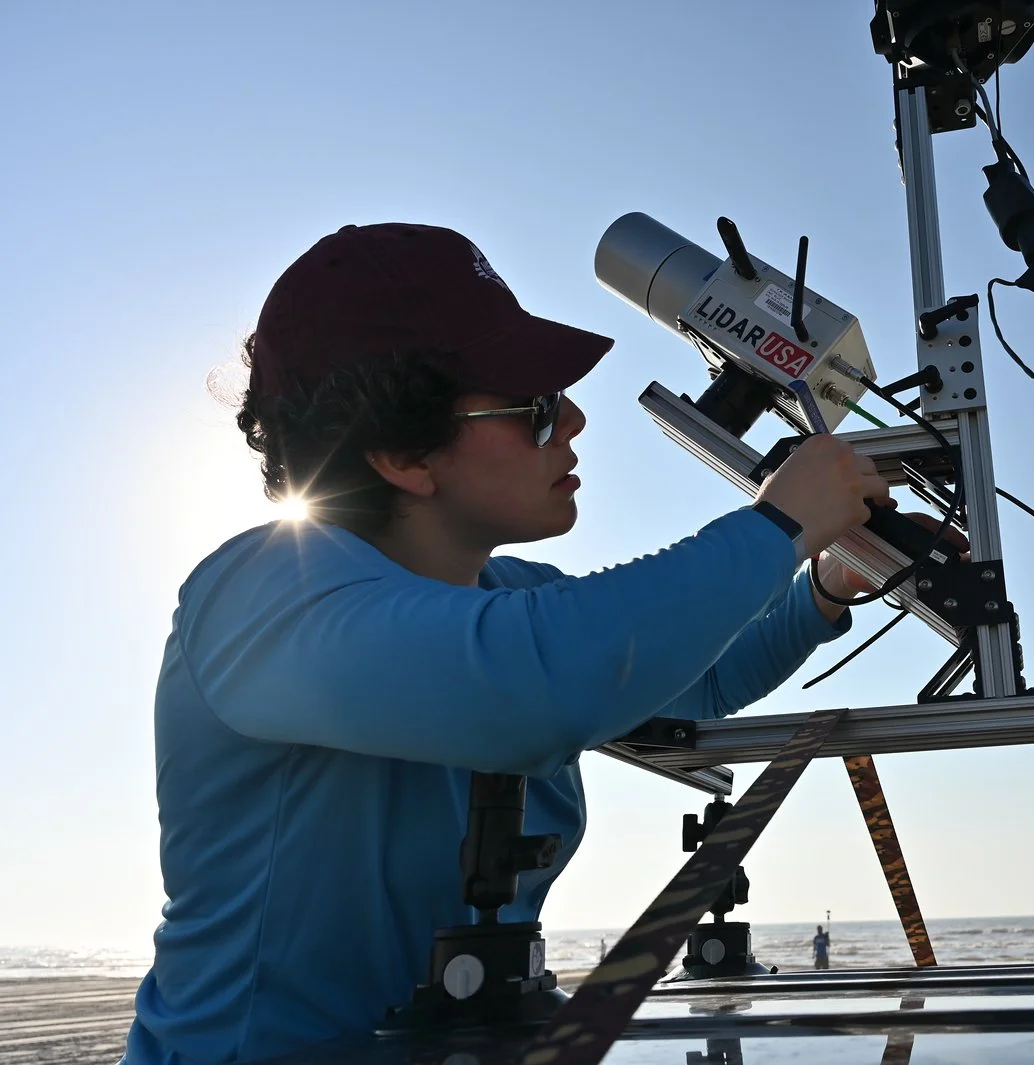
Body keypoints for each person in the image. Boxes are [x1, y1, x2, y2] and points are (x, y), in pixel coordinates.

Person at [121, 221, 905, 1064]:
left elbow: (698, 679)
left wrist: (824, 585)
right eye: (534, 408)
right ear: (402, 452)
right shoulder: (263, 592)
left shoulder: (509, 596)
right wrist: (777, 525)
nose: (573, 419)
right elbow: (538, 682)